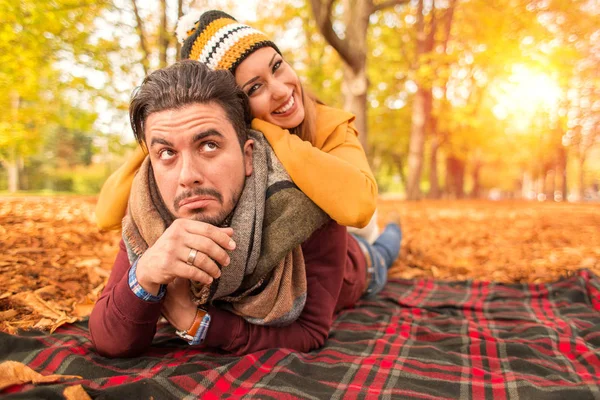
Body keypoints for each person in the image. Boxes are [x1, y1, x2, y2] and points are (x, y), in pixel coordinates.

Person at [89, 60, 401, 358]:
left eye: (209, 145)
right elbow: (109, 338)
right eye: (167, 152)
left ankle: (394, 232)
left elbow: (310, 330)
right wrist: (144, 273)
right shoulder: (151, 208)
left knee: (383, 251)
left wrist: (196, 322)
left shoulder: (303, 205)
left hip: (355, 269)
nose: (187, 177)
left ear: (247, 155)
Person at [94, 9, 380, 243]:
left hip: (355, 249)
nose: (281, 90)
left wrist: (268, 130)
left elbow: (359, 208)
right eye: (255, 87)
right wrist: (155, 139)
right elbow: (106, 216)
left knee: (380, 252)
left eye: (277, 66)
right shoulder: (221, 143)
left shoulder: (329, 123)